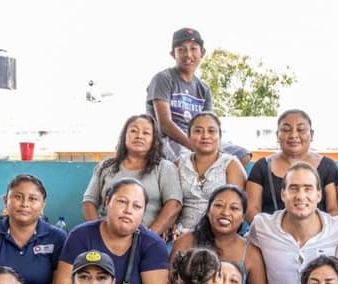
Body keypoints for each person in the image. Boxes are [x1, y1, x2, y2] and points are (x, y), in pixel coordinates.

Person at [55, 178, 169, 284]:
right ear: (107, 202)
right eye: (122, 202)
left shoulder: (153, 244)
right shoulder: (80, 236)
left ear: (143, 213)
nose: (128, 210)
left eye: (137, 206)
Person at [170, 184, 269, 284]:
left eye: (234, 208)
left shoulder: (251, 253)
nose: (225, 212)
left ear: (242, 217)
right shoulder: (186, 242)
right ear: (208, 210)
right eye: (218, 205)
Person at [82, 114, 182, 238]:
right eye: (134, 131)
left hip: (149, 238)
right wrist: (98, 234)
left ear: (154, 139)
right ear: (125, 136)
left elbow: (174, 204)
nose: (139, 136)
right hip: (107, 238)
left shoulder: (164, 167)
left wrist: (148, 237)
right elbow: (89, 202)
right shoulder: (105, 167)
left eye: (146, 133)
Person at [245, 109, 338, 222]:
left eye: (301, 129)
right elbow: (252, 210)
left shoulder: (328, 166)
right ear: (277, 135)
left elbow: (333, 210)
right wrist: (271, 233)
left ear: (311, 134)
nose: (293, 135)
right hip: (269, 235)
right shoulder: (262, 167)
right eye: (286, 130)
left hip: (319, 236)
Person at [174, 112, 247, 239]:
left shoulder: (231, 164)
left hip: (219, 233)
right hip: (180, 233)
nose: (205, 136)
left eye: (211, 131)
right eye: (198, 131)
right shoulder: (179, 164)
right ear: (189, 136)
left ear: (219, 136)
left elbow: (236, 207)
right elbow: (171, 202)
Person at [146, 27, 212, 158]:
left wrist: (210, 147)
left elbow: (208, 125)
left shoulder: (204, 89)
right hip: (168, 140)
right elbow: (164, 124)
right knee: (187, 160)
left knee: (240, 155)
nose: (188, 54)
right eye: (181, 49)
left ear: (202, 52)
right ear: (173, 54)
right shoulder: (163, 79)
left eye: (193, 48)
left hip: (197, 140)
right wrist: (194, 147)